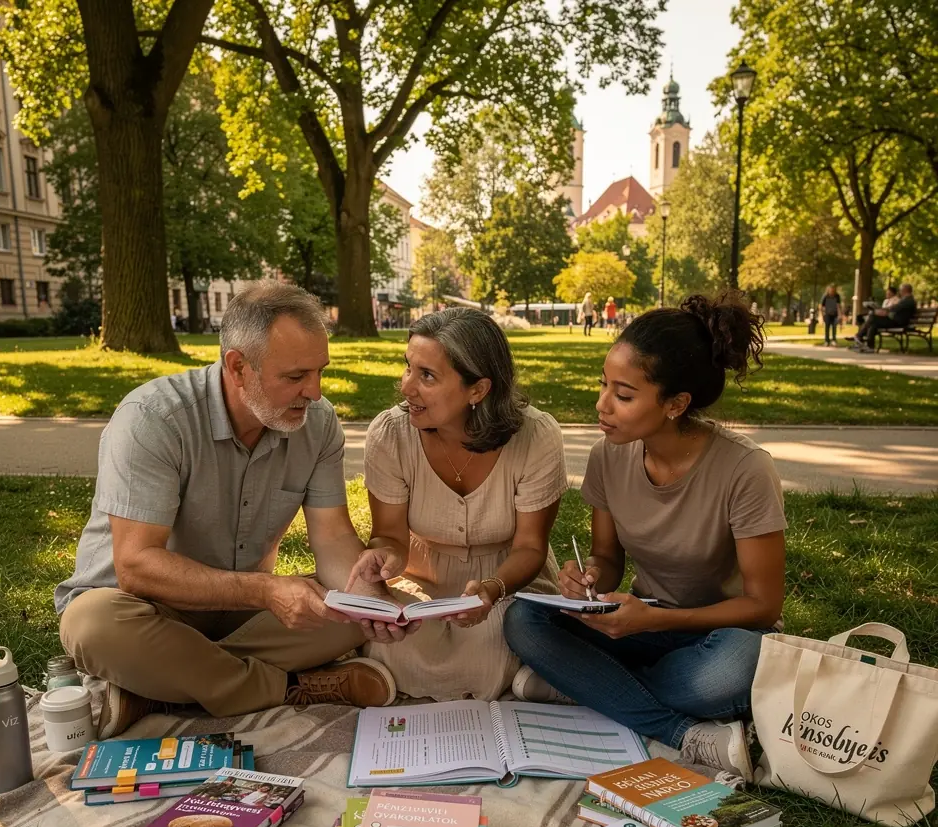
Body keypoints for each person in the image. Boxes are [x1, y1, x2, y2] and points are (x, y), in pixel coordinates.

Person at [57, 281, 407, 739]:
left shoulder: (318, 426)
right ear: (238, 367)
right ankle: (289, 687)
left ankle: (159, 687)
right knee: (93, 626)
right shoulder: (153, 419)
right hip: (146, 609)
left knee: (348, 619)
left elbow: (335, 539)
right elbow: (137, 567)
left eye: (320, 371)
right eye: (296, 376)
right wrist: (265, 592)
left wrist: (364, 596)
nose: (315, 392)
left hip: (238, 615)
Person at [504, 292, 787, 782]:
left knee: (726, 675)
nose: (602, 405)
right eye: (604, 386)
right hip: (641, 624)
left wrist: (655, 619)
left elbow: (763, 605)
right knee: (524, 619)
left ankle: (592, 685)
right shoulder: (608, 456)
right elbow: (609, 558)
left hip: (723, 635)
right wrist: (590, 578)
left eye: (624, 394)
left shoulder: (745, 469)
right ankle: (684, 733)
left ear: (676, 404)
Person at [346, 307, 568, 701]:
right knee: (398, 634)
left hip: (508, 577)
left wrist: (491, 589)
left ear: (478, 390)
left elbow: (530, 547)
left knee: (495, 640)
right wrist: (383, 560)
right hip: (422, 576)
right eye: (408, 367)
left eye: (426, 376)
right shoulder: (390, 434)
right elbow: (389, 536)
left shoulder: (537, 435)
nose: (406, 387)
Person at [851, 283, 917, 352]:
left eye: (900, 290)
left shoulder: (908, 300)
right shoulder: (906, 299)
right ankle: (870, 347)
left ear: (905, 290)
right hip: (895, 320)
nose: (899, 292)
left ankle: (859, 336)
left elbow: (895, 308)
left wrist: (884, 311)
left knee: (873, 317)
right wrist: (883, 311)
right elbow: (895, 308)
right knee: (873, 325)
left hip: (898, 322)